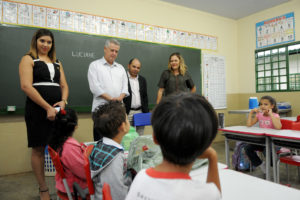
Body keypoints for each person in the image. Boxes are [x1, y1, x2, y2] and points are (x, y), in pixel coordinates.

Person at [126, 92, 221, 200]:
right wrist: (212, 157)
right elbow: (216, 193)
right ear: (207, 144)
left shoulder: (141, 177)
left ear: (155, 138)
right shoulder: (205, 194)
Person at [19, 29, 69, 200]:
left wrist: (63, 101)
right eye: (42, 41)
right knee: (39, 149)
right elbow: (26, 86)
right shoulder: (28, 59)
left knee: (60, 148)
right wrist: (47, 107)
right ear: (36, 41)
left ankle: (62, 185)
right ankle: (43, 190)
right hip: (37, 111)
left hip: (57, 112)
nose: (45, 45)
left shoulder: (57, 62)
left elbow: (64, 86)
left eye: (49, 42)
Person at [87, 39, 129, 141]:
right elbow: (95, 87)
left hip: (118, 110)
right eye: (112, 50)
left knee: (117, 140)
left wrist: (119, 98)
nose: (114, 53)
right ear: (105, 49)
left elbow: (125, 87)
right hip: (101, 111)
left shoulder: (121, 68)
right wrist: (111, 99)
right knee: (100, 141)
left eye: (116, 51)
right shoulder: (94, 66)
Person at [90, 101, 132, 200]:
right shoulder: (114, 159)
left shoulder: (102, 144)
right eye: (127, 118)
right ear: (122, 126)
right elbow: (116, 193)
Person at [48, 108, 87, 196]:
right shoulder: (70, 148)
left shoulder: (57, 141)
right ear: (75, 126)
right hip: (76, 188)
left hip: (65, 183)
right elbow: (84, 174)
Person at [245, 95, 282, 173]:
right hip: (263, 142)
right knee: (248, 148)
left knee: (266, 151)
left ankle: (273, 165)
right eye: (261, 104)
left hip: (274, 142)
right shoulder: (259, 115)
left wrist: (271, 114)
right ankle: (261, 164)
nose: (262, 106)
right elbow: (249, 125)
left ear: (272, 106)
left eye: (265, 104)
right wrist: (251, 113)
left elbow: (278, 127)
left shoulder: (275, 116)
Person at [123, 58, 149, 135]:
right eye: (134, 66)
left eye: (138, 68)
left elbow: (145, 96)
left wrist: (146, 111)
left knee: (140, 136)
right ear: (128, 66)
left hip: (140, 112)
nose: (136, 69)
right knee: (128, 136)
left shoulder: (142, 79)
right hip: (128, 112)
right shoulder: (123, 78)